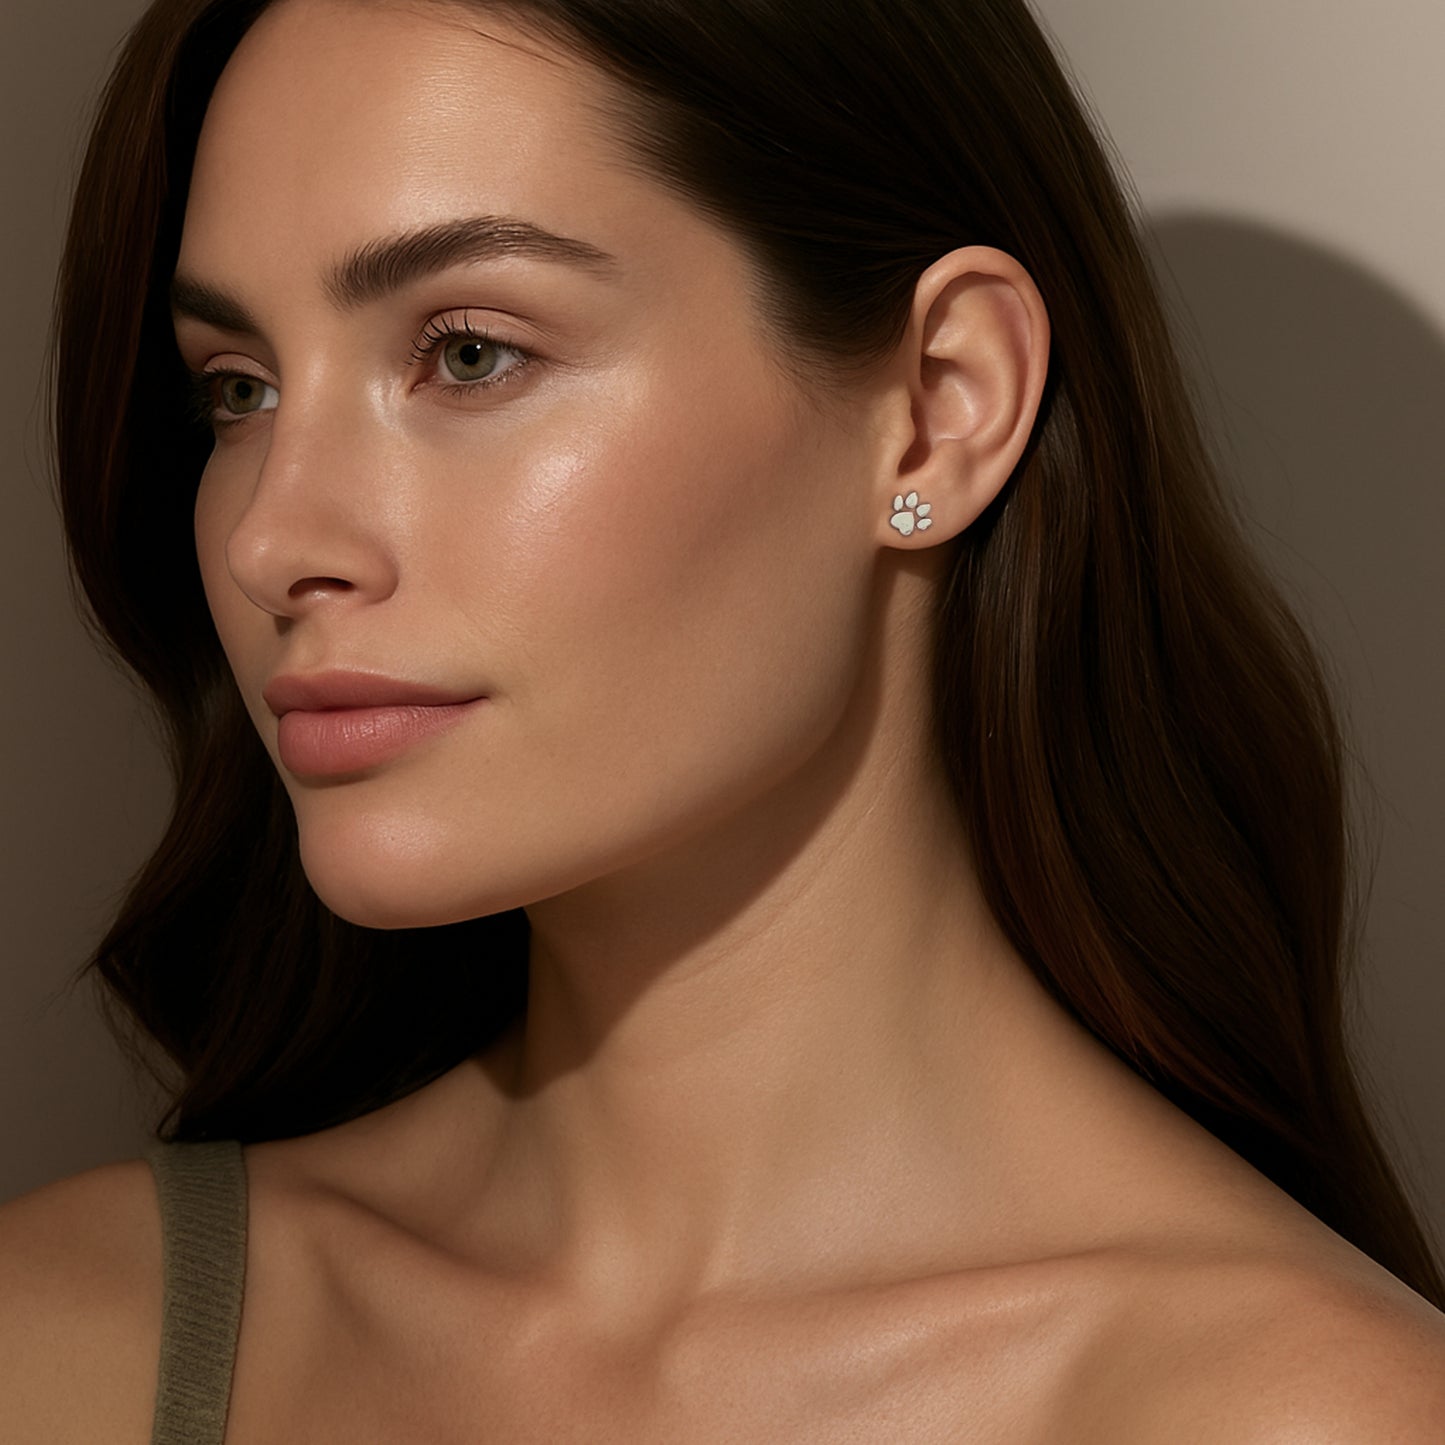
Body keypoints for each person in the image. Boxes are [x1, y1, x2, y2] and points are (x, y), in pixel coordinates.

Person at [3, 0, 1444, 1437]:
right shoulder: (67, 1336)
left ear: (941, 405)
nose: (268, 538)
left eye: (467, 353)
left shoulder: (1307, 1411)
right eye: (238, 390)